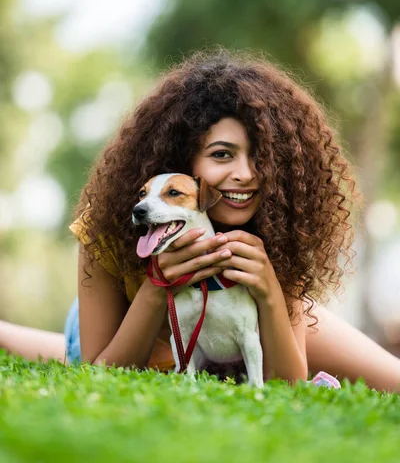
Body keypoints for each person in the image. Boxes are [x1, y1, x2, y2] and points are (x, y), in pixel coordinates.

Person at [1, 49, 399, 391]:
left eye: (259, 156)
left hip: (228, 333)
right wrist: (158, 286)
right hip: (115, 332)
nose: (246, 173)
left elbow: (287, 387)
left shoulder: (274, 229)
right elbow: (99, 372)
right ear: (182, 160)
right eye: (222, 155)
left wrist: (271, 294)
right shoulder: (111, 225)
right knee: (57, 349)